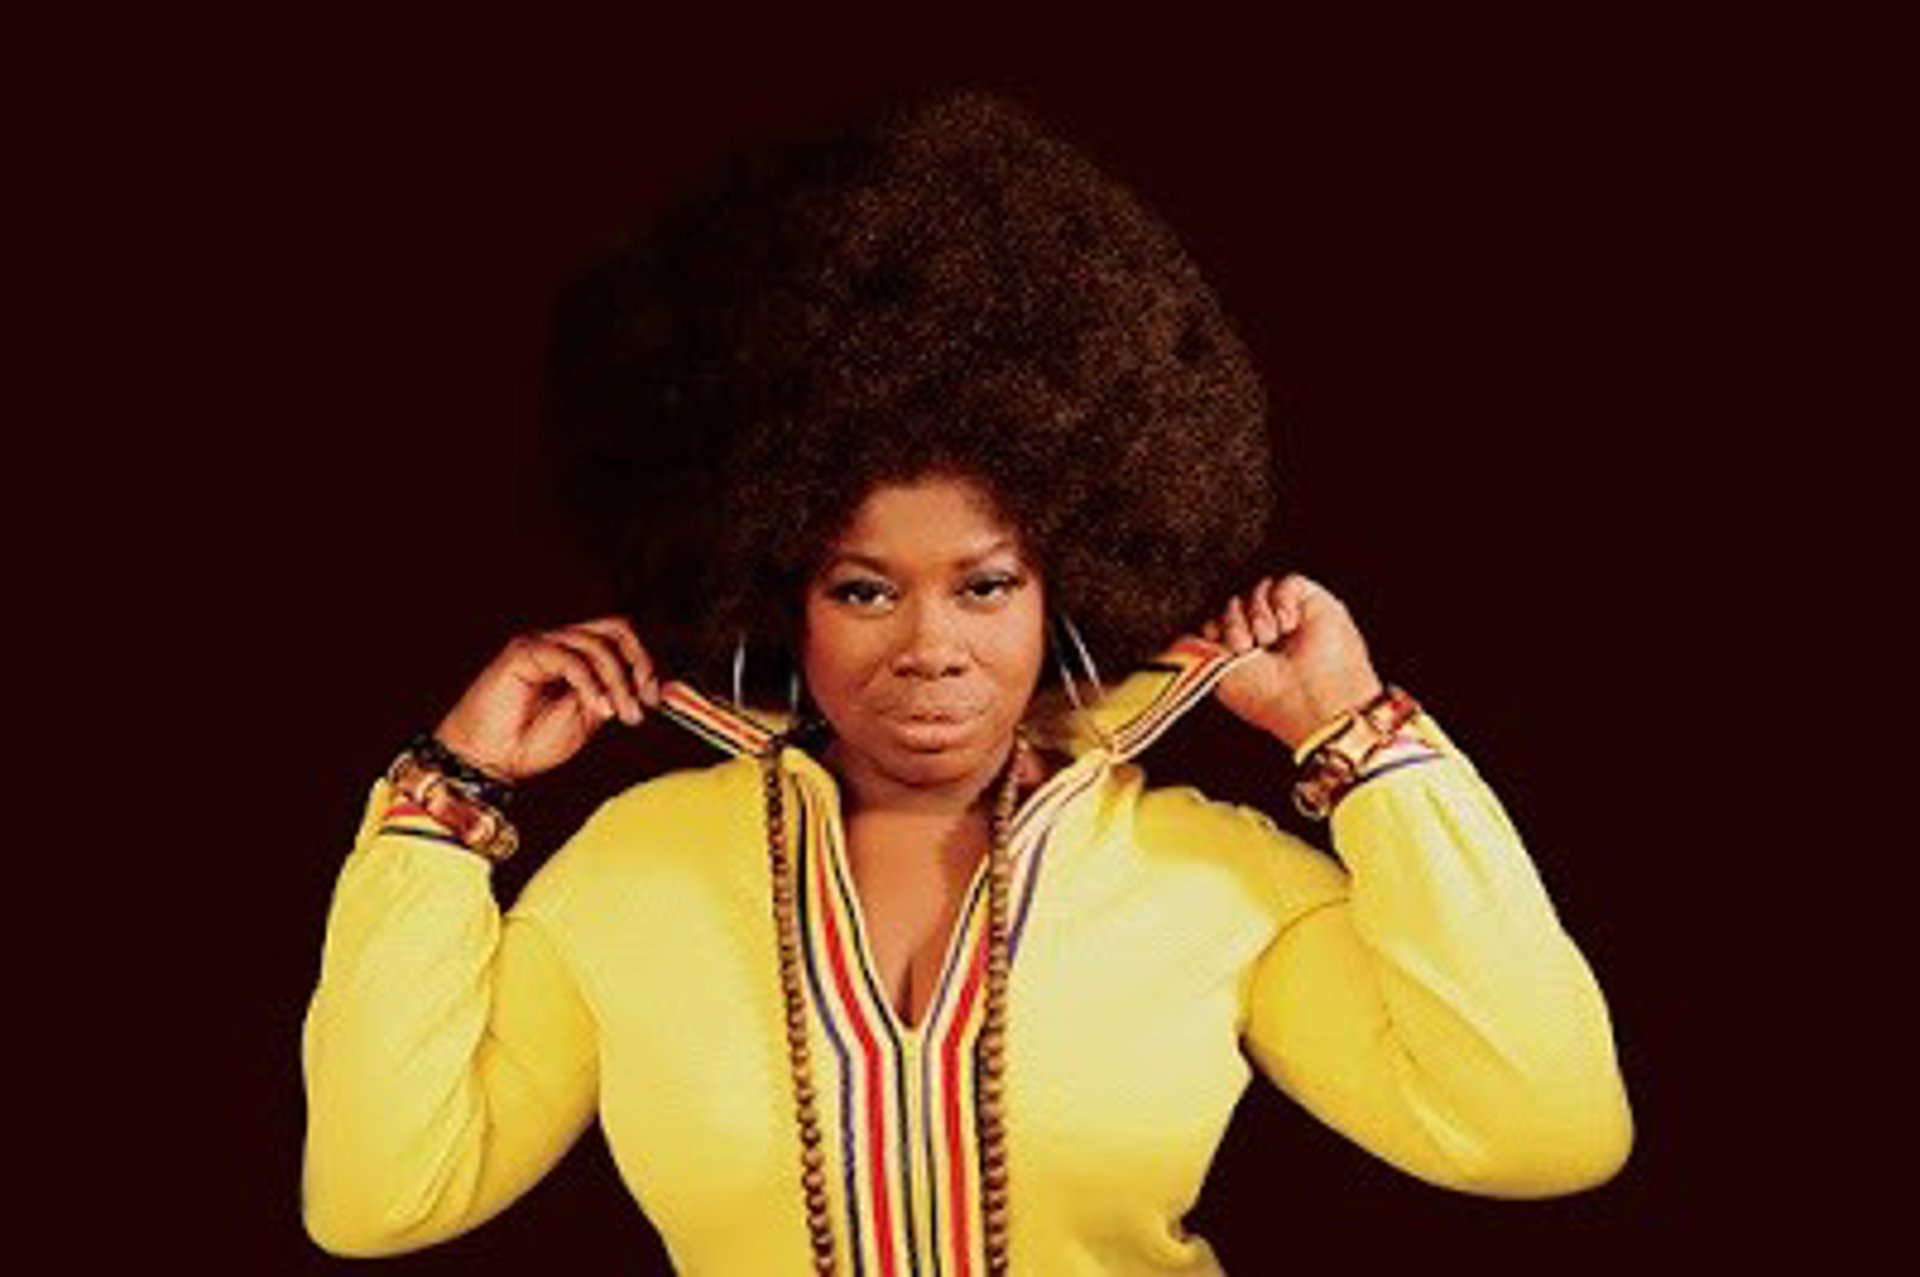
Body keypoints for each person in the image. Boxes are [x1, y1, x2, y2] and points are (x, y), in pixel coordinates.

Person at [300, 90, 1633, 1273]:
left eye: (985, 586)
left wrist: (1362, 741)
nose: (929, 644)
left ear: (1068, 589)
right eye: (863, 589)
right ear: (775, 594)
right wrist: (446, 800)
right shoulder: (631, 873)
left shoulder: (1210, 879)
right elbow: (379, 1198)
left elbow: (1544, 1129)